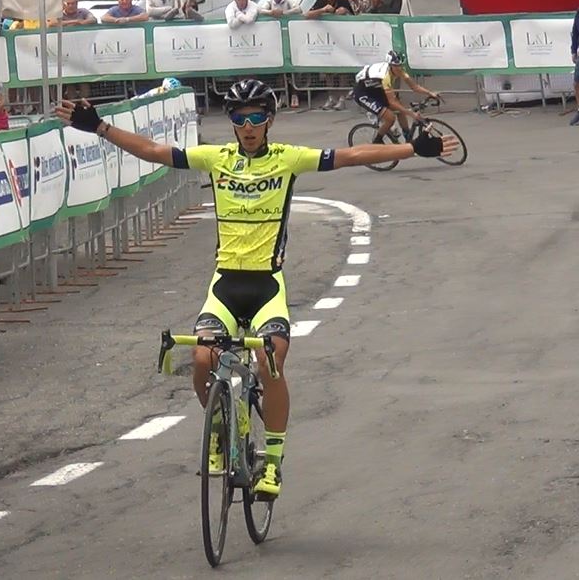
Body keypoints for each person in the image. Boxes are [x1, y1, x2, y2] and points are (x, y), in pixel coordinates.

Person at [56, 80, 456, 499]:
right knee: (202, 358)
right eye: (239, 118)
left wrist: (412, 149)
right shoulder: (216, 158)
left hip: (266, 285)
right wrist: (99, 127)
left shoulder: (288, 158)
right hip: (225, 284)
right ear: (231, 122)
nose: (248, 126)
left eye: (256, 117)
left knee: (271, 363)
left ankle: (274, 461)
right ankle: (218, 430)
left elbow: (351, 155)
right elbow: (155, 152)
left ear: (269, 120)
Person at [353, 51, 440, 143]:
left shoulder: (400, 70)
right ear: (390, 65)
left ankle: (408, 137)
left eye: (400, 65)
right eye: (396, 66)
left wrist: (430, 93)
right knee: (390, 118)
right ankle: (377, 141)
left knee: (400, 108)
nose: (399, 68)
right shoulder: (385, 76)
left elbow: (414, 87)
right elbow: (392, 102)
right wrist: (411, 114)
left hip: (376, 89)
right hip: (363, 93)